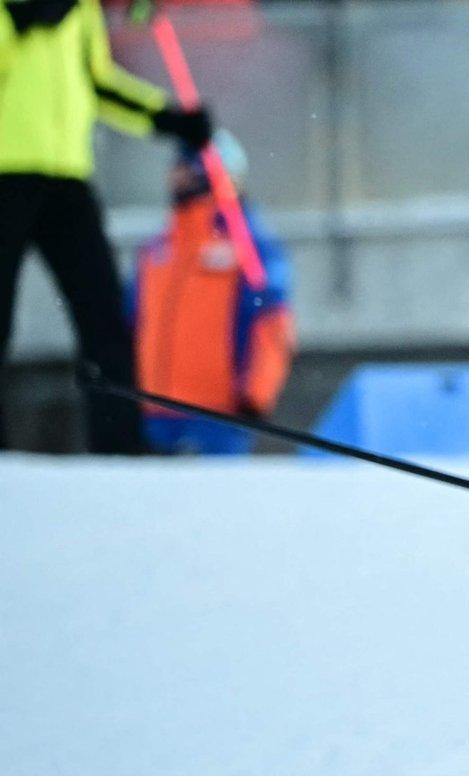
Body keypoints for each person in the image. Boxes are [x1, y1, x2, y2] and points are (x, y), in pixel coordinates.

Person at [1, 0, 212, 452]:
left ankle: (119, 445)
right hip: (4, 177)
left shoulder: (79, 11)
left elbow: (98, 84)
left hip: (66, 178)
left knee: (103, 315)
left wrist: (165, 117)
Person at [130, 134, 295, 454]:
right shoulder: (157, 248)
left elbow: (273, 322)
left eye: (186, 167)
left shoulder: (250, 246)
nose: (175, 176)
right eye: (175, 167)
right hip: (156, 415)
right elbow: (133, 321)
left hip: (218, 417)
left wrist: (256, 395)